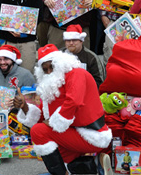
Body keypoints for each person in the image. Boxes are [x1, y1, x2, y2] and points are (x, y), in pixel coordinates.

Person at [11, 44, 112, 175]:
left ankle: (60, 173)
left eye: (51, 67)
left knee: (39, 131)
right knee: (64, 157)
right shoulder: (52, 86)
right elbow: (42, 117)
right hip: (72, 133)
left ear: (60, 63)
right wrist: (24, 106)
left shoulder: (77, 73)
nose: (48, 72)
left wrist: (53, 123)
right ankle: (94, 164)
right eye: (45, 69)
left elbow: (74, 101)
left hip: (90, 133)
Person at [0, 0, 43, 72]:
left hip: (28, 40)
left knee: (28, 70)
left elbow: (39, 15)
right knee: (8, 71)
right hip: (9, 39)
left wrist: (23, 33)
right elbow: (2, 13)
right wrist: (6, 33)